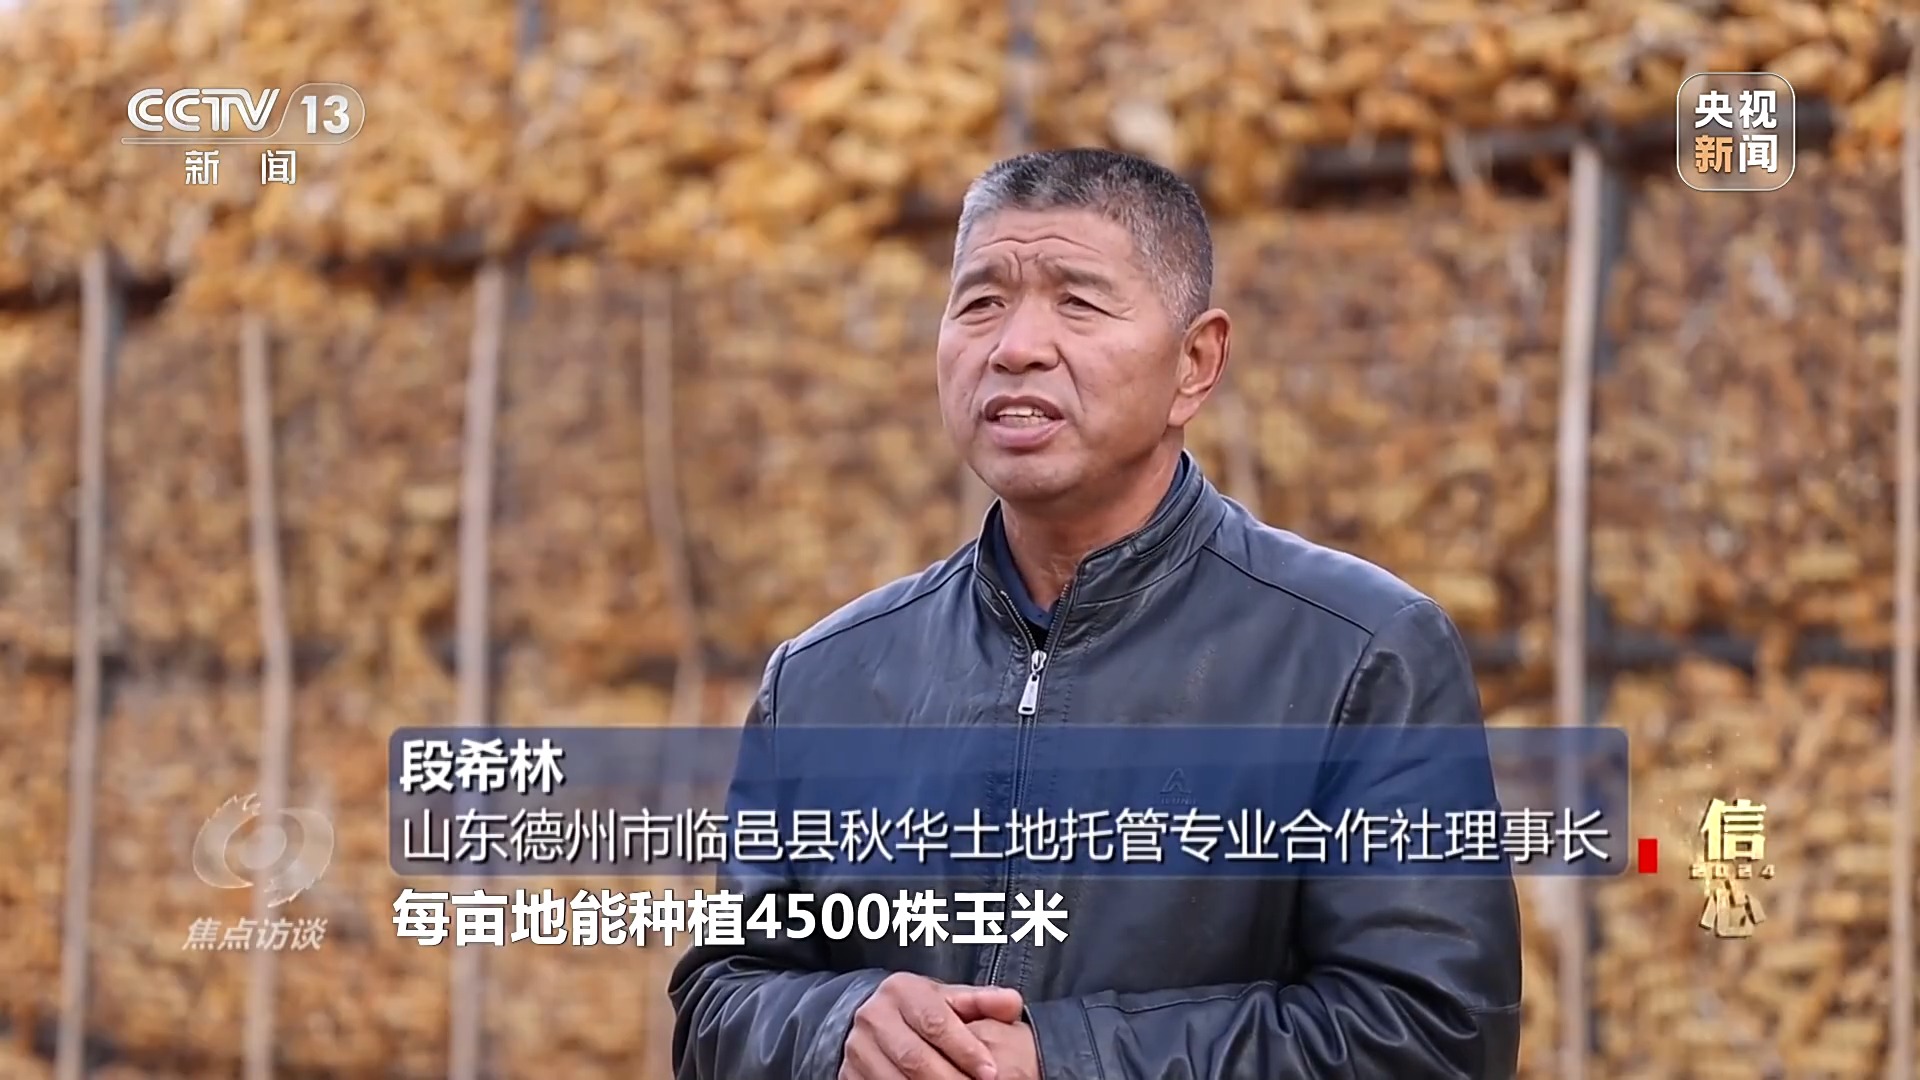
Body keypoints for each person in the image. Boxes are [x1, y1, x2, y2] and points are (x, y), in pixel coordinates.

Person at [669, 147, 1523, 1080]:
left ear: (1195, 363)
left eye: (1077, 302)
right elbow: (721, 1000)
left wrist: (1063, 1058)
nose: (1016, 346)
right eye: (980, 301)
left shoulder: (1358, 655)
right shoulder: (825, 680)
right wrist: (840, 1025)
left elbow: (1430, 1033)